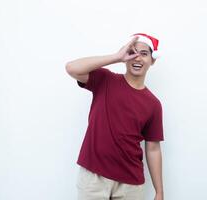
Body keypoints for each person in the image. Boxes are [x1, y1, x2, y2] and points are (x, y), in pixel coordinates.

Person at [65, 33, 164, 200]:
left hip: (131, 184)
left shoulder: (153, 104)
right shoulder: (105, 80)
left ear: (153, 60)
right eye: (132, 52)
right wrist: (116, 57)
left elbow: (153, 148)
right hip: (94, 179)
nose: (137, 58)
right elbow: (72, 68)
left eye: (144, 53)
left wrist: (159, 191)